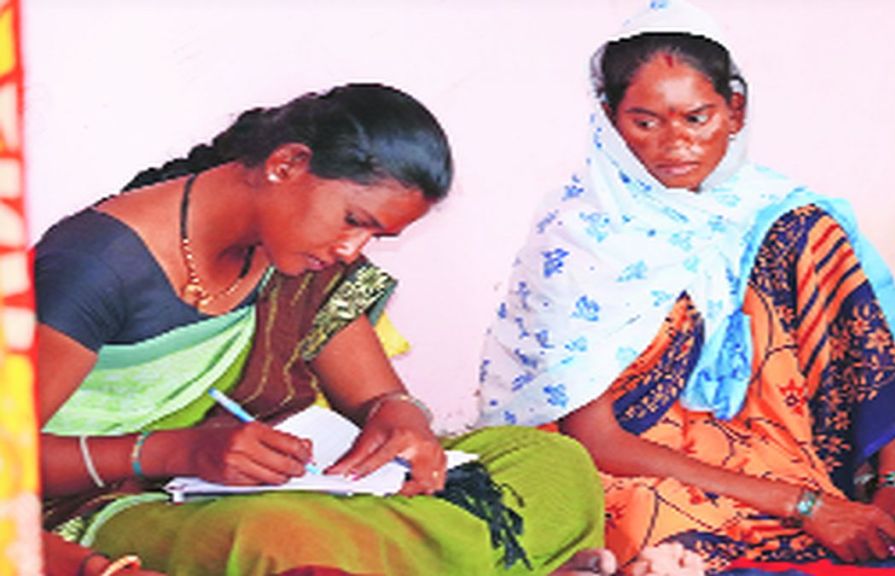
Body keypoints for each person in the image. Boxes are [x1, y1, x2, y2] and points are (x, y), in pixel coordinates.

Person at [36, 83, 604, 575]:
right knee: (282, 542)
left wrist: (403, 418)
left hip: (252, 485)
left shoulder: (288, 255)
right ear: (286, 164)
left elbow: (379, 397)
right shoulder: (94, 265)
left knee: (554, 466)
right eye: (354, 221)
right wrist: (175, 451)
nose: (351, 250)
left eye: (374, 237)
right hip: (105, 500)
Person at [477, 2, 895, 573]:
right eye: (645, 122)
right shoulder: (579, 236)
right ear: (609, 118)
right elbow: (594, 439)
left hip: (771, 451)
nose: (675, 143)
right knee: (646, 533)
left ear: (735, 111)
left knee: (806, 233)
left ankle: (849, 494)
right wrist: (804, 505)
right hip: (631, 465)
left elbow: (860, 336)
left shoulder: (772, 212)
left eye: (696, 117)